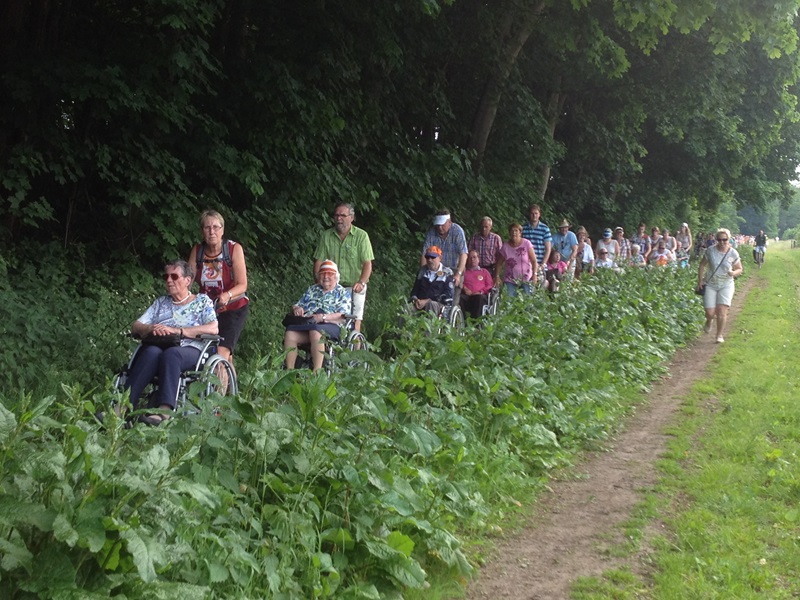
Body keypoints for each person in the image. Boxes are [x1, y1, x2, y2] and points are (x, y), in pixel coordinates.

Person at [124, 260, 218, 425]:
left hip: (191, 348)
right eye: (166, 276)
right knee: (151, 352)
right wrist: (151, 328)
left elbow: (213, 328)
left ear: (188, 280)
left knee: (171, 354)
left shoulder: (202, 301)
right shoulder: (161, 302)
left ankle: (164, 411)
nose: (169, 280)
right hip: (159, 346)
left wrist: (179, 332)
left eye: (174, 276)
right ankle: (123, 407)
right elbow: (136, 325)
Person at [188, 210, 249, 370]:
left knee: (221, 352)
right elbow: (187, 280)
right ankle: (232, 393)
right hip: (208, 309)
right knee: (225, 356)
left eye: (216, 227)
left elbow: (242, 284)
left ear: (222, 230)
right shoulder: (198, 251)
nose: (211, 231)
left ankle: (217, 395)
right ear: (202, 231)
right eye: (207, 227)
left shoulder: (233, 249)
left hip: (233, 307)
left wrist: (227, 295)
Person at [314, 202, 374, 332]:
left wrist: (361, 282)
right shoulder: (326, 236)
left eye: (343, 215)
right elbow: (318, 262)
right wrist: (319, 280)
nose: (339, 218)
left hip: (354, 287)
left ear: (351, 218)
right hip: (332, 287)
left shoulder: (361, 236)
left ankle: (355, 349)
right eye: (336, 215)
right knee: (329, 318)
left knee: (354, 321)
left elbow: (367, 264)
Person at [284, 261, 351, 372]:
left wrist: (323, 317)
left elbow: (342, 314)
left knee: (315, 331)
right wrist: (297, 309)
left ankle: (316, 372)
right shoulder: (312, 290)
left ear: (336, 276)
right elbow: (297, 304)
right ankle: (289, 371)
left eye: (330, 274)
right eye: (322, 274)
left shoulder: (342, 293)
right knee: (290, 333)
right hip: (309, 324)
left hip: (331, 325)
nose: (325, 277)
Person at [697, 228, 743, 343]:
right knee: (710, 312)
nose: (722, 242)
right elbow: (702, 265)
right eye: (719, 239)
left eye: (725, 240)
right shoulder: (710, 251)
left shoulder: (732, 253)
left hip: (726, 284)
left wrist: (733, 273)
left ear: (729, 239)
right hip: (711, 284)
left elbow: (739, 269)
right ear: (716, 239)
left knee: (722, 311)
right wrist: (700, 281)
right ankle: (709, 320)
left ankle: (719, 335)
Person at [422, 209, 468, 288]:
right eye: (438, 225)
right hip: (436, 269)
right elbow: (424, 254)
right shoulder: (432, 232)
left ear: (449, 222)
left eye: (442, 225)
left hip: (454, 269)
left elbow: (463, 254)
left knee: (452, 296)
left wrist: (458, 273)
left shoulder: (458, 231)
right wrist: (424, 271)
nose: (440, 227)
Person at [409, 246, 455, 315]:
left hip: (438, 305)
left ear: (440, 258)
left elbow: (448, 295)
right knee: (407, 307)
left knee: (431, 304)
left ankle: (429, 325)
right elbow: (415, 290)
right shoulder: (422, 272)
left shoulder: (446, 273)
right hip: (420, 303)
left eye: (433, 257)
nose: (429, 260)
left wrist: (428, 301)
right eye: (427, 257)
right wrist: (416, 299)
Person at [496, 223, 537, 296]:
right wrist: (497, 276)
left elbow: (534, 261)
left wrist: (535, 274)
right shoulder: (505, 246)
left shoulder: (526, 243)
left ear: (520, 233)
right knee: (508, 301)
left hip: (526, 278)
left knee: (527, 300)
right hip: (510, 280)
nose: (514, 233)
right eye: (512, 231)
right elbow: (499, 263)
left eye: (516, 231)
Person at [460, 250, 494, 318]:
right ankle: (462, 321)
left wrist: (480, 292)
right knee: (459, 298)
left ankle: (476, 323)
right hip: (468, 296)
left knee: (479, 298)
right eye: (470, 258)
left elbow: (489, 285)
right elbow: (459, 282)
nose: (472, 259)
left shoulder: (484, 272)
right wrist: (465, 288)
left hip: (480, 296)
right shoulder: (464, 272)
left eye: (474, 257)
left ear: (478, 259)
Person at [521, 203, 552, 268]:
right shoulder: (523, 228)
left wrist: (543, 264)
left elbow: (548, 249)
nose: (534, 215)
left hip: (540, 263)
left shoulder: (545, 229)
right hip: (525, 263)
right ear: (529, 214)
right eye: (532, 213)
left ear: (539, 214)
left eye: (536, 213)